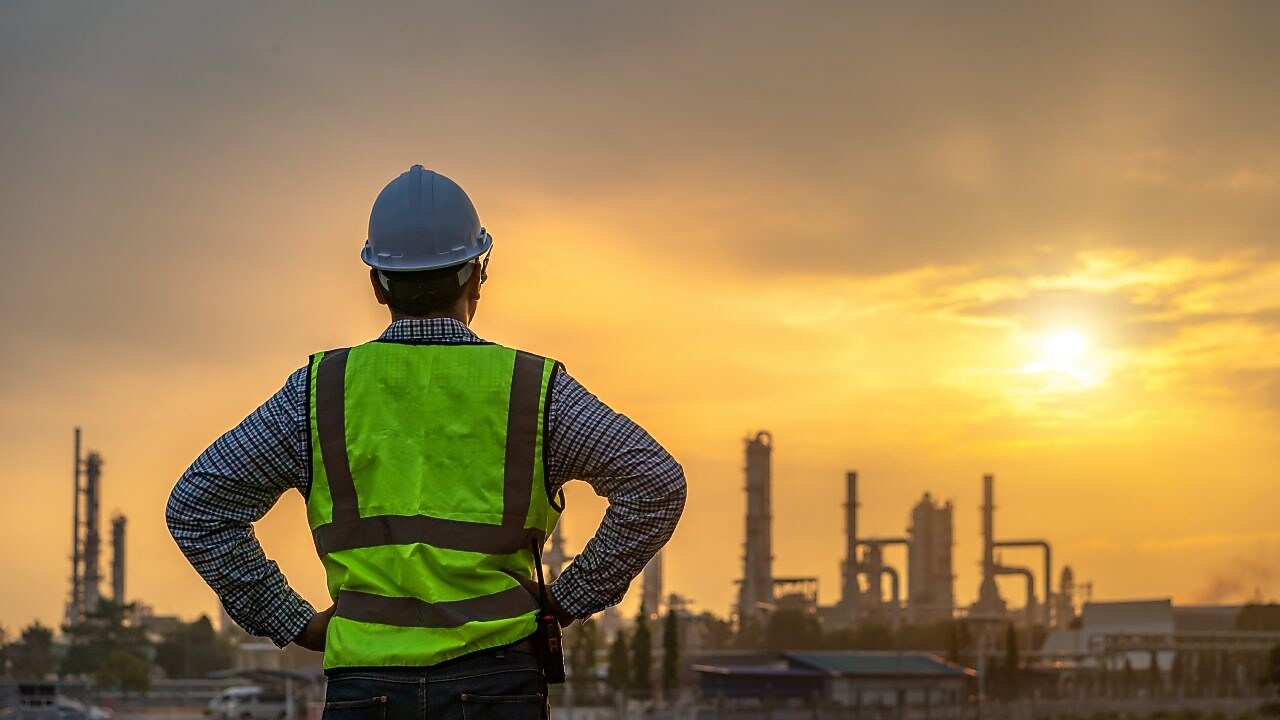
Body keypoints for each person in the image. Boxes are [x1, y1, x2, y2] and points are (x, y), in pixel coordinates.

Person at [167, 165, 686, 719]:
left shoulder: (319, 394)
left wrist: (289, 619)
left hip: (366, 683)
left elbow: (197, 507)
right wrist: (569, 598)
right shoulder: (533, 391)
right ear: (477, 276)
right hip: (498, 678)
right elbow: (655, 484)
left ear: (375, 283)